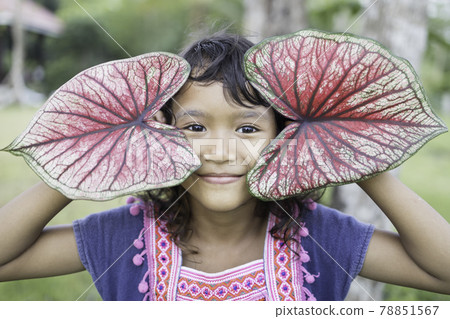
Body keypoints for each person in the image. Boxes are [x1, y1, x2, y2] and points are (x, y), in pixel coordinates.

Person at [0, 32, 449, 301]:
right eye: (195, 128)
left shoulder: (318, 236)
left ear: (287, 135)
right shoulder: (126, 237)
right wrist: (96, 155)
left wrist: (350, 152)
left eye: (248, 130)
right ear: (161, 133)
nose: (221, 149)